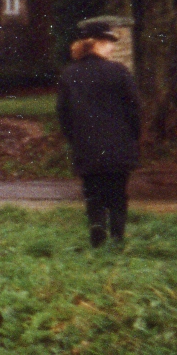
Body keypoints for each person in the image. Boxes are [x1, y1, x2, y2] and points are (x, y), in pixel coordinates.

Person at [55, 20, 141, 248]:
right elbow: (134, 109)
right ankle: (117, 239)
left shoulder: (69, 74)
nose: (112, 48)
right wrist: (133, 137)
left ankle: (97, 236)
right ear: (97, 43)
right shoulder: (119, 72)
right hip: (118, 146)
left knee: (93, 195)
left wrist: (75, 139)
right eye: (109, 42)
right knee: (118, 195)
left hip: (86, 147)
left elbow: (63, 114)